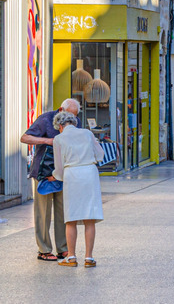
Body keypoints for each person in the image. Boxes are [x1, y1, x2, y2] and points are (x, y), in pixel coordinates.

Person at [20, 98, 82, 262]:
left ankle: (63, 249)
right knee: (43, 213)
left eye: (74, 117)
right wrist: (48, 140)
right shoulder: (46, 119)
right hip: (44, 172)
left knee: (64, 213)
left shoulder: (76, 121)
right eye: (69, 116)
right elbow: (25, 138)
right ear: (61, 110)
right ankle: (44, 249)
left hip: (64, 173)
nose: (72, 121)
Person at [51, 111, 104, 268]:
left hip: (72, 174)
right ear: (73, 122)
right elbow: (100, 154)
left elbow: (59, 165)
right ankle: (89, 258)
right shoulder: (87, 133)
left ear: (60, 126)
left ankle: (72, 257)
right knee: (89, 217)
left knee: (71, 218)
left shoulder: (58, 138)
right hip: (89, 173)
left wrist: (57, 177)